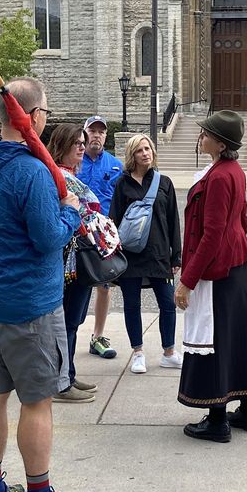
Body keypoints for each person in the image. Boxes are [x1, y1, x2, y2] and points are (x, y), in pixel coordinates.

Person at [0, 76, 91, 492]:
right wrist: (71, 211)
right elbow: (48, 237)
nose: (48, 119)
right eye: (47, 113)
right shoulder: (32, 171)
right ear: (33, 117)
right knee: (37, 401)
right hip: (30, 306)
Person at [174, 110, 247, 443]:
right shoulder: (230, 170)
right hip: (234, 264)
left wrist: (187, 281)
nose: (200, 137)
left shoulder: (221, 176)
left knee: (214, 339)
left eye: (206, 133)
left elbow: (212, 234)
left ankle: (217, 419)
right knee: (234, 337)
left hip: (218, 269)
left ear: (220, 143)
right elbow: (243, 220)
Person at [109, 133, 182, 373]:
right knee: (132, 304)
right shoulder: (122, 184)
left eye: (148, 149)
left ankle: (169, 352)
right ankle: (137, 352)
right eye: (140, 150)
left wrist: (176, 256)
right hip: (131, 255)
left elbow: (173, 221)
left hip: (159, 254)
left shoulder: (164, 182)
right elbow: (114, 220)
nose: (146, 153)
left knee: (168, 303)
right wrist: (113, 256)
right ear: (132, 155)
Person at [47, 123, 102, 402]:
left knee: (73, 321)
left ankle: (68, 373)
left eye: (83, 142)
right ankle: (61, 382)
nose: (82, 147)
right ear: (62, 146)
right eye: (76, 143)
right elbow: (83, 214)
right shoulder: (59, 176)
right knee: (66, 321)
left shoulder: (69, 176)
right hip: (67, 259)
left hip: (77, 256)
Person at [79, 115, 122, 362]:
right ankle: (65, 332)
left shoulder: (115, 165)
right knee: (73, 284)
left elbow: (121, 200)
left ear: (106, 136)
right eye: (92, 131)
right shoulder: (75, 160)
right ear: (85, 134)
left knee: (104, 286)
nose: (96, 135)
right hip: (76, 232)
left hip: (103, 235)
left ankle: (98, 336)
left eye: (100, 132)